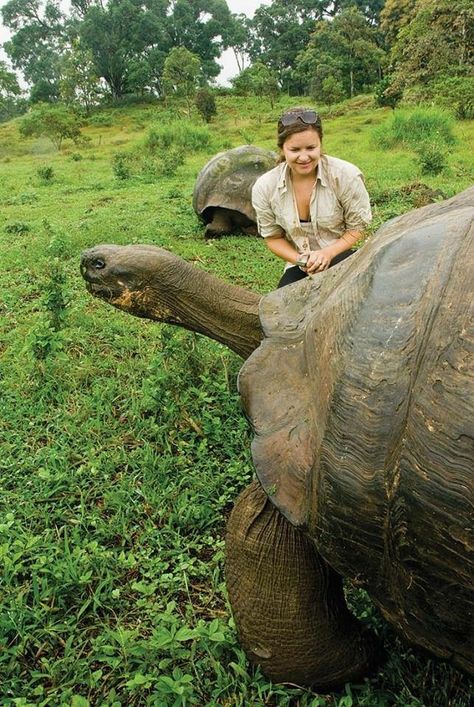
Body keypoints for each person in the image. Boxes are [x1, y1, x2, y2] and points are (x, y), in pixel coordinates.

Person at [252, 107, 372, 288]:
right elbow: (273, 238)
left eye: (311, 148)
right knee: (284, 308)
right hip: (300, 264)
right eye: (295, 149)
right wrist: (302, 260)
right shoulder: (265, 187)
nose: (304, 157)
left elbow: (357, 229)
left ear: (320, 144)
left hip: (343, 254)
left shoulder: (346, 176)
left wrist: (327, 254)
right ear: (282, 149)